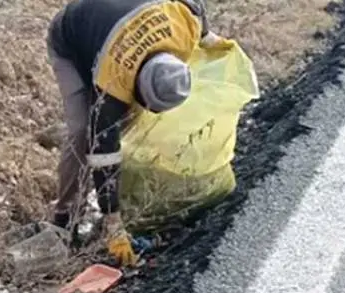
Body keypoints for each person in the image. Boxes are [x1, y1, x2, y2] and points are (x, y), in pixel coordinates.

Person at [45, 0, 229, 265]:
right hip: (71, 37)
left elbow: (193, 5)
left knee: (117, 128)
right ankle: (65, 219)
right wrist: (113, 223)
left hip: (115, 27)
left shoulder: (186, 26)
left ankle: (119, 195)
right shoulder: (114, 81)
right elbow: (103, 149)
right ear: (138, 86)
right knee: (83, 131)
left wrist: (210, 39)